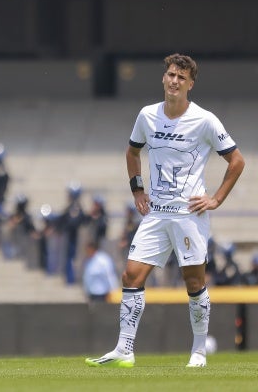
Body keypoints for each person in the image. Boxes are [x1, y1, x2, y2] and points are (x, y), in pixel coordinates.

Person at [85, 53, 245, 369]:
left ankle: (199, 351)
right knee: (131, 274)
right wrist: (137, 189)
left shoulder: (205, 120)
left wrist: (216, 199)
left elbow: (237, 161)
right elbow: (132, 152)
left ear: (190, 84)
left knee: (194, 283)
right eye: (170, 75)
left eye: (181, 78)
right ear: (163, 78)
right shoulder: (147, 115)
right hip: (156, 213)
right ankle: (124, 349)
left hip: (189, 215)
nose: (174, 81)